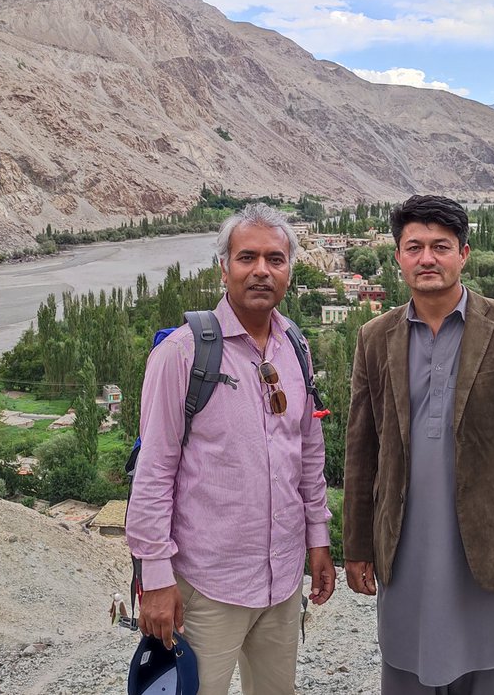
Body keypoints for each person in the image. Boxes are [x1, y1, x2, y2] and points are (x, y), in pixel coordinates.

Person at [343, 195, 494, 694]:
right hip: (405, 542)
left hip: (487, 545)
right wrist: (355, 548)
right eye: (413, 246)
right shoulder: (374, 338)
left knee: (487, 665)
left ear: (463, 253)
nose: (427, 259)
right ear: (398, 256)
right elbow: (362, 450)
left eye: (440, 246)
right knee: (407, 663)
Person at [125, 202, 335, 695]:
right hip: (206, 585)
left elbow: (308, 453)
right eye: (247, 257)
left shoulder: (296, 347)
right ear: (224, 267)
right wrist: (155, 578)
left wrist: (318, 539)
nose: (261, 270)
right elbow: (153, 471)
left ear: (289, 269)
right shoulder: (181, 354)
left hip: (282, 579)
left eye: (275, 259)